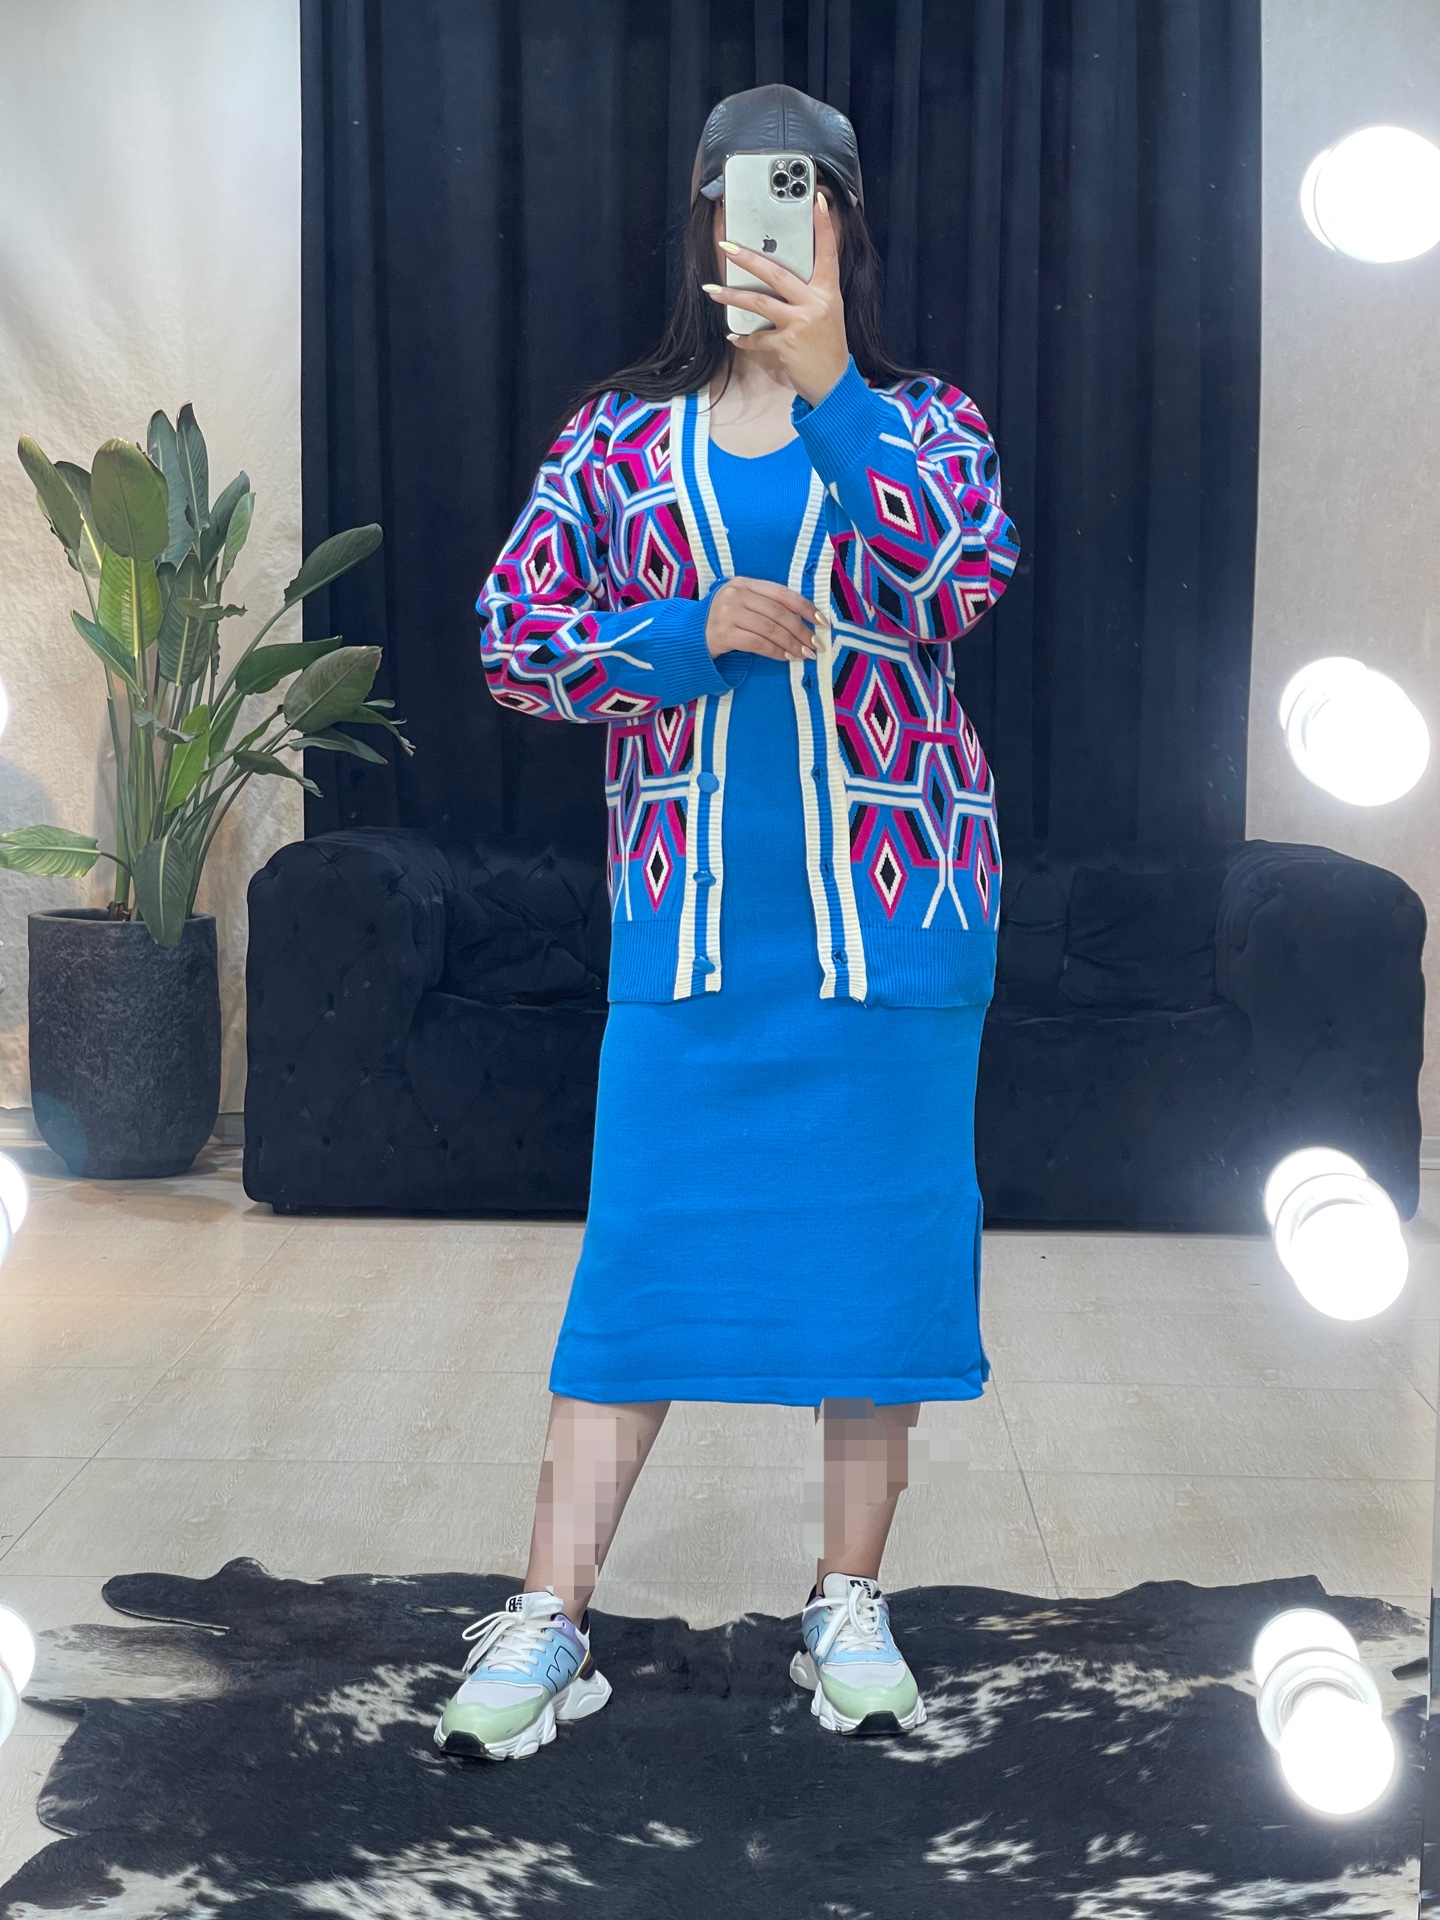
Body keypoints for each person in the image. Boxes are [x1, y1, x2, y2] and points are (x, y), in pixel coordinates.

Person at [437, 83, 1019, 1762]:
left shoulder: (926, 422)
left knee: (879, 1275)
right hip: (690, 939)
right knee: (637, 1269)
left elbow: (957, 579)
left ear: (846, 223)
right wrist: (687, 633)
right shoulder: (615, 437)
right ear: (702, 218)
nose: (775, 222)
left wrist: (834, 389)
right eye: (748, 195)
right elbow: (514, 640)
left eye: (808, 194)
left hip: (897, 927)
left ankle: (849, 1604)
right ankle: (549, 1615)